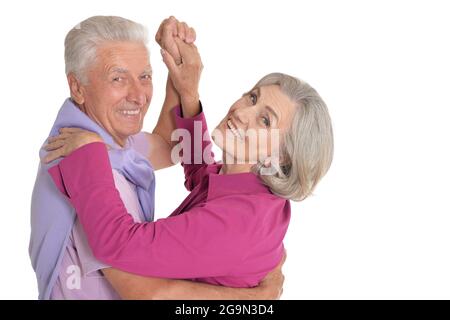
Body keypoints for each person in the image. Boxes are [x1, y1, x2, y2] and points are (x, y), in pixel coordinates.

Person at [44, 27, 334, 292]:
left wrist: (89, 153)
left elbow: (118, 244)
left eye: (265, 120)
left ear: (282, 155)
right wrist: (187, 91)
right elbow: (203, 178)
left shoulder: (237, 224)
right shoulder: (250, 186)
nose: (242, 112)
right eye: (252, 97)